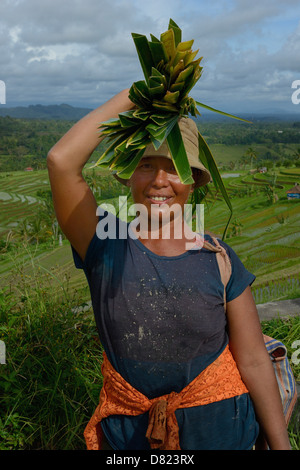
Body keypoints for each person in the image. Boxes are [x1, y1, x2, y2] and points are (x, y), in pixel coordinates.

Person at [47, 89, 291, 450]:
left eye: (175, 168)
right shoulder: (105, 245)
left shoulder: (218, 259)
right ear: (130, 175)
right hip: (131, 437)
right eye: (146, 165)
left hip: (223, 432)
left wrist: (281, 446)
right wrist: (137, 93)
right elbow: (61, 160)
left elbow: (254, 361)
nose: (160, 181)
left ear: (192, 181)